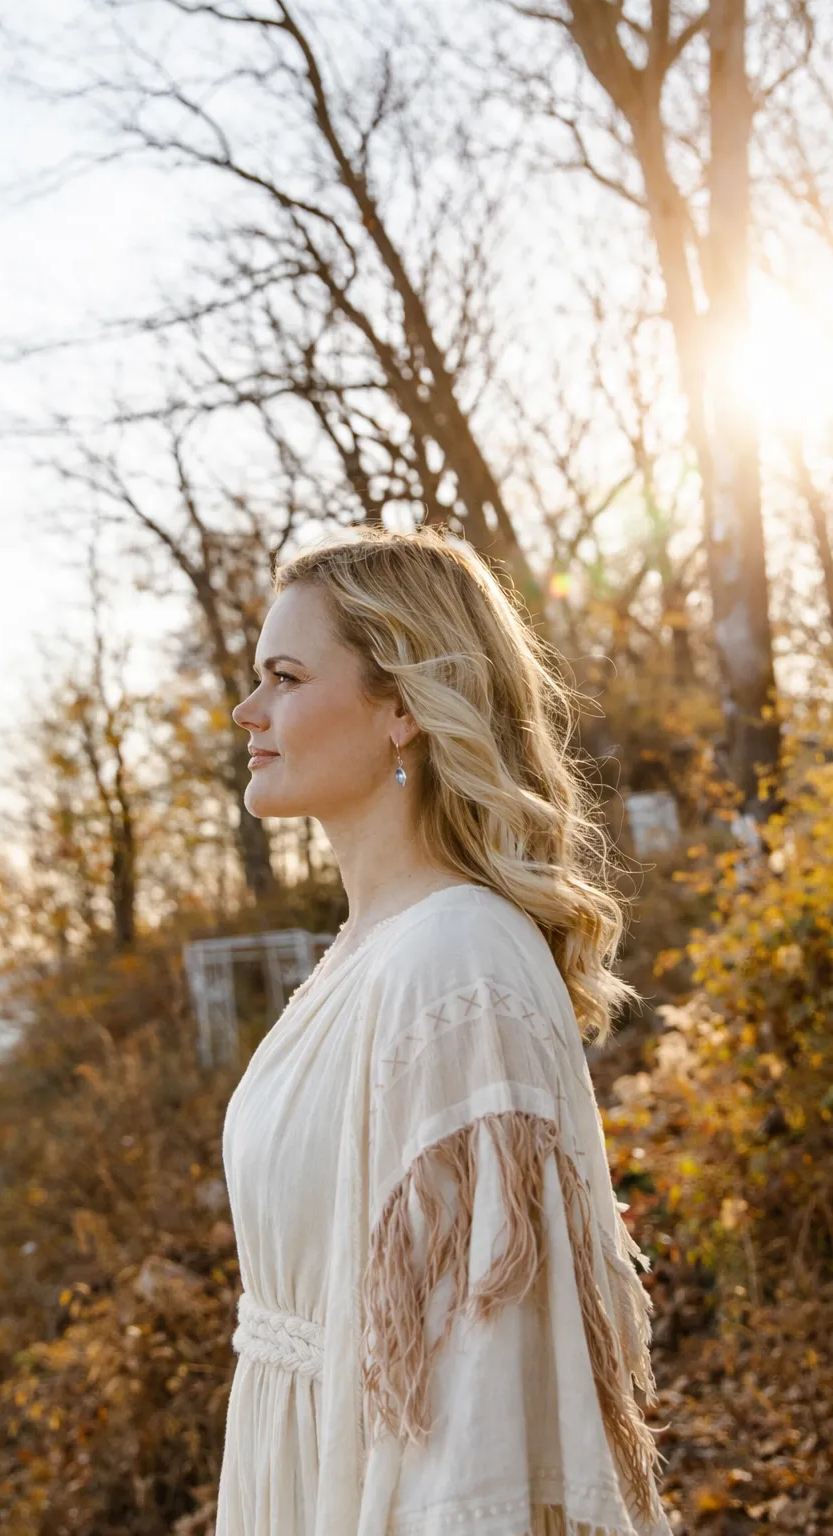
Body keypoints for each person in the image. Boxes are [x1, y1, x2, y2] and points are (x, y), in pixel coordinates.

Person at [218, 525, 671, 1536]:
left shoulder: (455, 961)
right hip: (293, 1475)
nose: (247, 712)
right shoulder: (362, 953)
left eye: (285, 676)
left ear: (404, 709)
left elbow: (483, 1402)